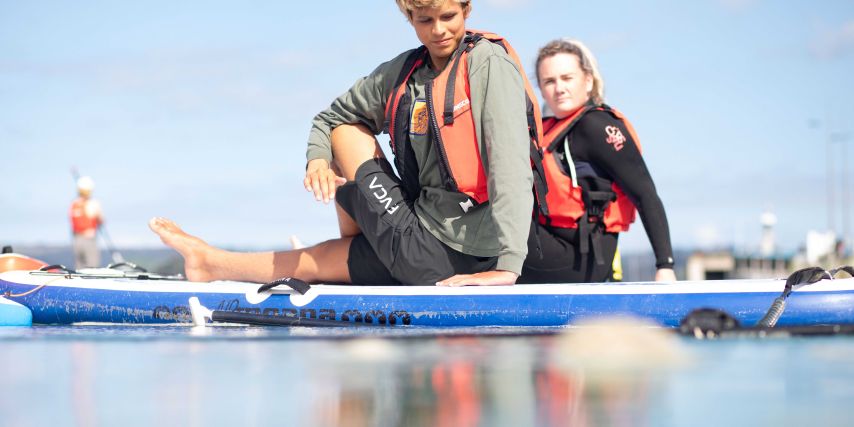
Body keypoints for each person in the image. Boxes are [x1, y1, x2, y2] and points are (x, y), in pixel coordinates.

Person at [149, 0, 536, 286]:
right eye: (425, 20)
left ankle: (369, 237)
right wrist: (316, 160)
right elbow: (328, 118)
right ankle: (209, 262)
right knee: (320, 256)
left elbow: (512, 166)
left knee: (345, 137)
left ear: (467, 10)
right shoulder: (405, 71)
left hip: (448, 254)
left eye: (448, 17)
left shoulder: (487, 64)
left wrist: (507, 268)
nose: (438, 30)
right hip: (420, 240)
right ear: (410, 19)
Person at [521, 39, 676, 283]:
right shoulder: (546, 130)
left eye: (567, 78)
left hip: (581, 258)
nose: (559, 88)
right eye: (549, 81)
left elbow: (645, 194)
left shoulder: (598, 127)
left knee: (489, 225)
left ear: (588, 81)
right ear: (540, 88)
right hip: (550, 243)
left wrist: (664, 265)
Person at [70, 176, 103, 269]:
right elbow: (100, 219)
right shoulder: (93, 203)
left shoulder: (74, 204)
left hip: (76, 240)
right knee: (92, 268)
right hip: (89, 239)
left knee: (79, 268)